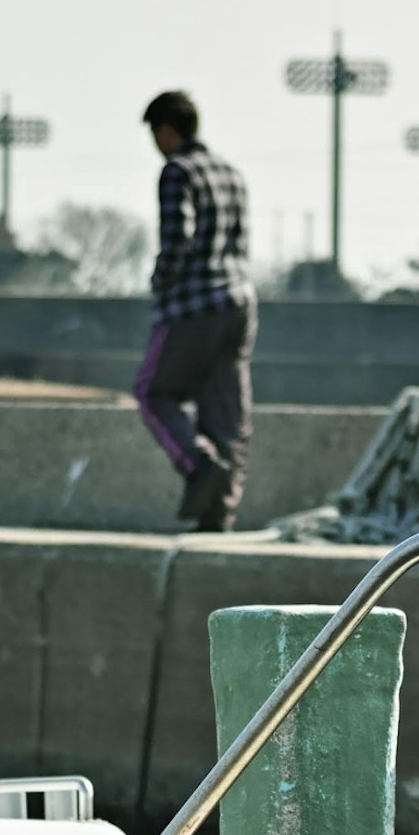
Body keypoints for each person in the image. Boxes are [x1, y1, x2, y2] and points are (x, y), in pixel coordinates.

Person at [135, 90, 251, 531]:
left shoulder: (177, 172)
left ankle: (198, 462)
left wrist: (160, 284)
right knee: (225, 411)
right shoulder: (231, 174)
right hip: (239, 304)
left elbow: (177, 239)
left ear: (167, 130)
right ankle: (218, 514)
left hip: (193, 306)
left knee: (152, 392)